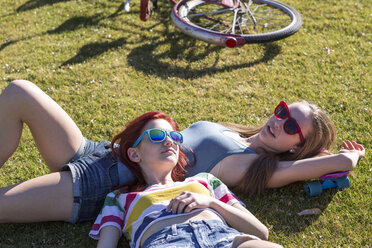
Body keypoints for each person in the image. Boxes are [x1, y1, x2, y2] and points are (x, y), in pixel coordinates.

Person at [0, 80, 365, 223]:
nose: (278, 121)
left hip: (104, 186)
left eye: (291, 127)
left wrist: (349, 159)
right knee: (20, 91)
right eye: (283, 111)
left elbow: (324, 166)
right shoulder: (239, 135)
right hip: (102, 153)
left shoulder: (253, 166)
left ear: (297, 147)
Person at [89, 113, 281, 248]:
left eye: (174, 137)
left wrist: (211, 202)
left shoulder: (205, 181)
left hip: (225, 238)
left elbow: (260, 232)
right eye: (156, 136)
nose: (169, 141)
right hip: (167, 242)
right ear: (134, 154)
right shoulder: (119, 198)